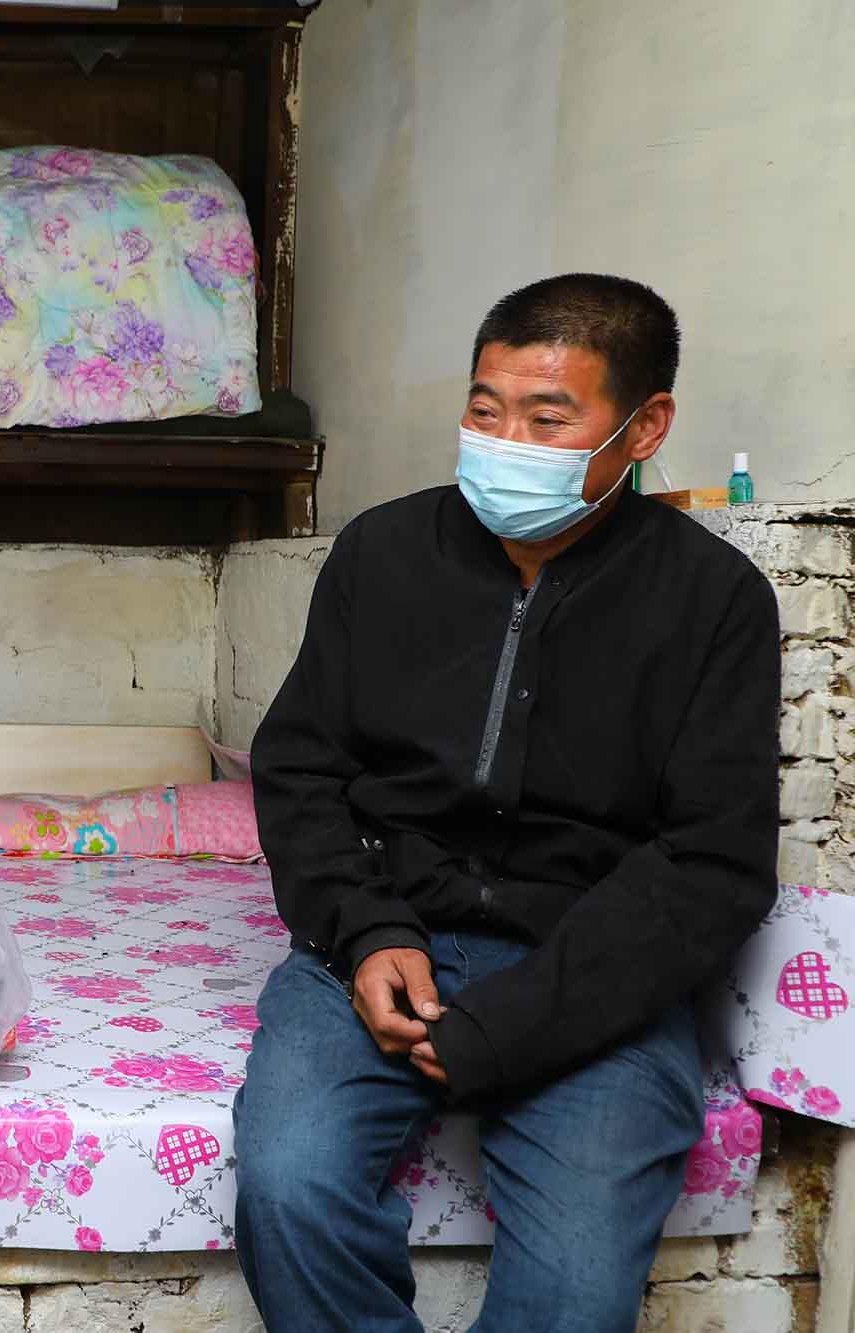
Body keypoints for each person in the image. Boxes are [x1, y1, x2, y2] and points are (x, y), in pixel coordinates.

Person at [234, 273, 779, 1331]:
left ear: (642, 426)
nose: (503, 442)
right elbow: (299, 769)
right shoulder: (382, 554)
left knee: (575, 1289)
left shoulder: (712, 602)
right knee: (291, 1190)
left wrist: (522, 1018)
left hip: (592, 968)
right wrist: (365, 930)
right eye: (484, 410)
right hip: (378, 942)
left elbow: (712, 863)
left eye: (546, 418)